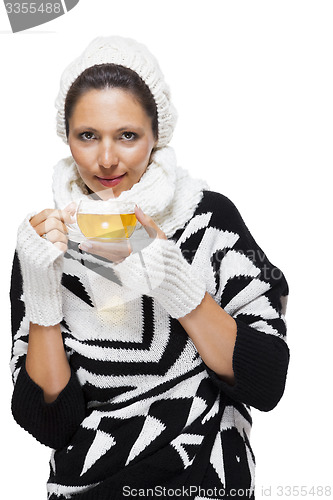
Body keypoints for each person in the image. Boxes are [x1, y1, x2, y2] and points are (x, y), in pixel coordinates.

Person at [10, 36, 289, 500]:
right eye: (87, 136)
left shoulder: (209, 220)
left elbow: (267, 381)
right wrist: (42, 294)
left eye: (127, 135)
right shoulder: (45, 244)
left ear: (157, 134)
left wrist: (172, 280)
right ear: (67, 138)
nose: (106, 159)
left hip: (205, 481)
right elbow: (50, 424)